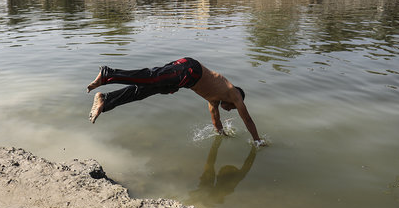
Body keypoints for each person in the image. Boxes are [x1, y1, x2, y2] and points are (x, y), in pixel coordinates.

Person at [87, 57, 266, 145]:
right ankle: (108, 74)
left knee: (145, 91)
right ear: (236, 102)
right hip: (189, 69)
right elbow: (248, 120)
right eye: (233, 109)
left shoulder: (214, 101)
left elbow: (216, 122)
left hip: (182, 82)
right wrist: (257, 141)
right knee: (151, 78)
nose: (231, 110)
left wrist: (221, 135)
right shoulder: (234, 93)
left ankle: (106, 99)